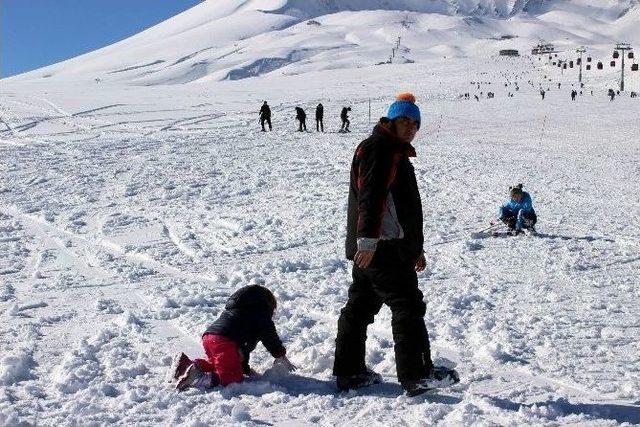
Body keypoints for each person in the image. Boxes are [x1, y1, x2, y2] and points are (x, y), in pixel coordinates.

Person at [333, 92, 458, 397]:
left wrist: (416, 249)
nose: (412, 127)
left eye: (416, 123)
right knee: (408, 306)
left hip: (376, 247)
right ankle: (417, 375)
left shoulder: (391, 149)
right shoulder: (381, 148)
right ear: (392, 119)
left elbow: (403, 206)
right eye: (405, 120)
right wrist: (368, 242)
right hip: (383, 247)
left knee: (359, 308)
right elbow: (371, 196)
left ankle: (350, 372)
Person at [171, 285, 296, 391]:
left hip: (209, 338)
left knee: (218, 365)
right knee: (232, 378)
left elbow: (244, 348)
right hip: (224, 340)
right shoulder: (260, 315)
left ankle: (187, 365)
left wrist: (244, 368)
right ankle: (199, 379)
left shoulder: (239, 312)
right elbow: (270, 336)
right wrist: (280, 354)